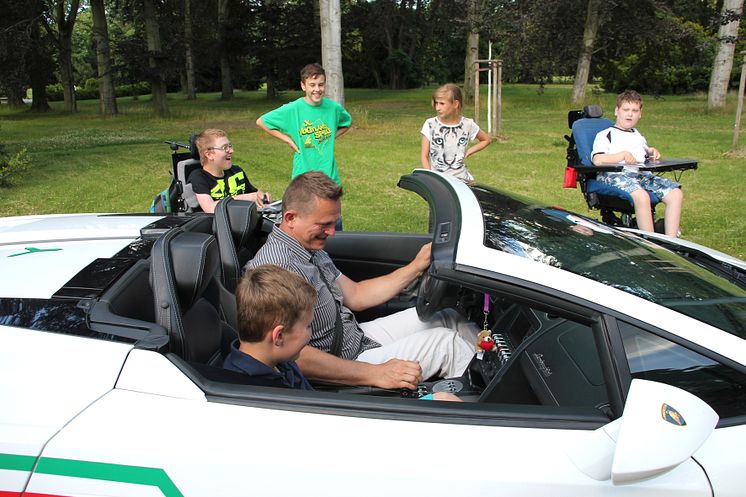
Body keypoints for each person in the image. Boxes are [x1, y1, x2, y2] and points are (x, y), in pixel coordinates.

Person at [245, 171, 477, 390]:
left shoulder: (310, 250)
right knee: (448, 346)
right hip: (343, 361)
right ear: (291, 218)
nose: (332, 232)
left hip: (355, 337)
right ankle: (490, 409)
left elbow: (356, 295)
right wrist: (374, 373)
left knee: (448, 318)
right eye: (324, 224)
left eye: (333, 223)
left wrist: (415, 267)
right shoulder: (276, 269)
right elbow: (288, 354)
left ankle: (494, 363)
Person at [591, 90, 684, 236]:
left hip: (639, 174)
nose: (630, 114)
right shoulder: (605, 135)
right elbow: (598, 160)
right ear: (617, 111)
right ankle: (651, 243)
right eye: (626, 110)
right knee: (641, 196)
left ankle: (672, 241)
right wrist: (622, 155)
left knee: (675, 194)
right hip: (614, 174)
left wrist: (651, 152)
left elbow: (644, 153)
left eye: (634, 111)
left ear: (640, 114)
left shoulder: (637, 135)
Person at [255, 63, 352, 186]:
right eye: (312, 85)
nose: (317, 89)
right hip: (303, 176)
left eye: (321, 85)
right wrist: (288, 140)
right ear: (303, 86)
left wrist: (332, 135)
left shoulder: (333, 108)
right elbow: (262, 121)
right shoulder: (293, 109)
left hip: (329, 176)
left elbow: (347, 122)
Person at [223, 265, 316, 389]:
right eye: (308, 326)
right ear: (279, 336)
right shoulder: (253, 390)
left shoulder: (281, 361)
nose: (311, 332)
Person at [420, 83, 492, 183]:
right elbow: (424, 156)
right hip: (439, 181)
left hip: (462, 181)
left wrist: (469, 151)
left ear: (455, 104)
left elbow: (486, 140)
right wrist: (431, 178)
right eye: (436, 103)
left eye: (442, 104)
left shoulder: (468, 124)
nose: (437, 108)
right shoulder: (430, 124)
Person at [188, 129, 271, 214]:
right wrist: (245, 198)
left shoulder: (236, 172)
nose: (231, 151)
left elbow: (253, 193)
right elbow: (210, 208)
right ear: (209, 155)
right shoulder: (199, 177)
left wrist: (262, 196)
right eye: (225, 148)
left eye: (230, 146)